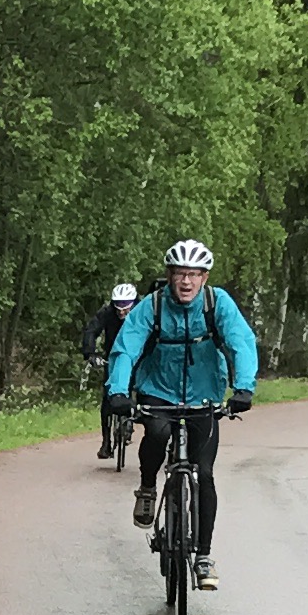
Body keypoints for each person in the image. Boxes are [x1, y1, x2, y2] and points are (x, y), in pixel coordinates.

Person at [108, 239, 258, 590]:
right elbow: (126, 348)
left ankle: (203, 556)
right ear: (169, 275)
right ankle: (148, 486)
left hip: (204, 395)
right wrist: (117, 391)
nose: (186, 281)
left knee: (204, 474)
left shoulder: (217, 303)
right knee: (157, 433)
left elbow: (241, 341)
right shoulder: (153, 306)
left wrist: (244, 388)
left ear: (204, 277)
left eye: (193, 274)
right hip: (158, 389)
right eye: (179, 274)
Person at [84, 281, 140, 460]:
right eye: (118, 308)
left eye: (126, 308)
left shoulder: (143, 311)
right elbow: (91, 331)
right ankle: (106, 442)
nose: (121, 312)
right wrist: (91, 353)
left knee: (143, 391)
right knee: (107, 399)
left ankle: (132, 421)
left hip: (139, 357)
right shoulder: (107, 313)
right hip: (113, 358)